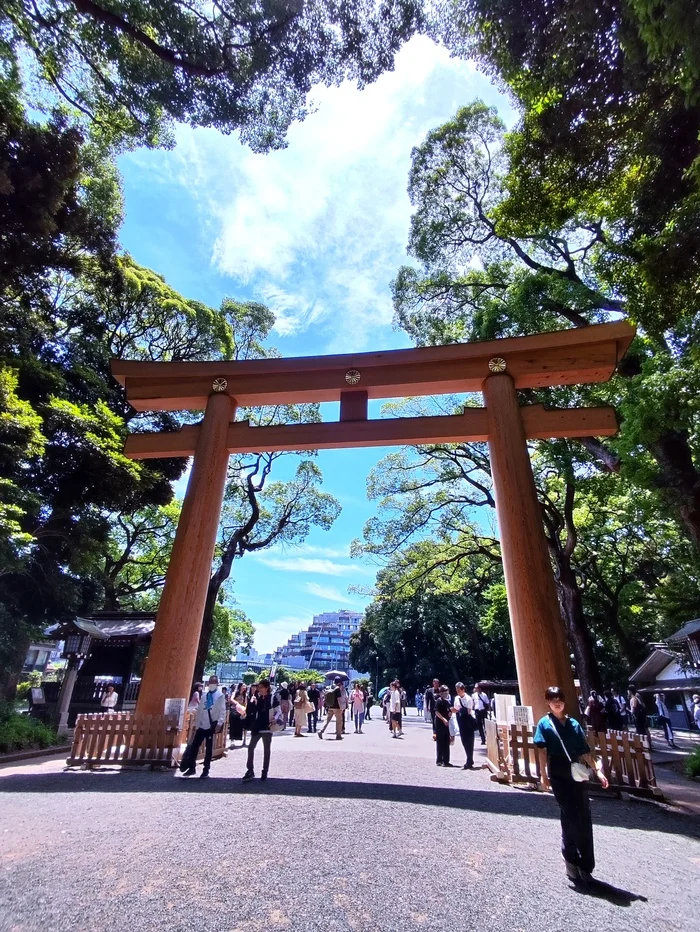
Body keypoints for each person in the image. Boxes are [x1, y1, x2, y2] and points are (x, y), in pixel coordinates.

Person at [533, 686, 609, 883]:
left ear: (564, 701)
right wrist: (543, 775)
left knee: (584, 813)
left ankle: (586, 865)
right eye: (552, 699)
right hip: (558, 770)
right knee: (569, 814)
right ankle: (570, 858)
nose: (557, 702)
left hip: (577, 769)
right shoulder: (544, 723)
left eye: (560, 698)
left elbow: (584, 750)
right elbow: (542, 751)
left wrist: (598, 771)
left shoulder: (574, 723)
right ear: (547, 702)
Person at [179, 675, 226, 779]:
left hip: (211, 724)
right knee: (194, 746)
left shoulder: (220, 696)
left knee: (209, 749)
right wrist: (196, 724)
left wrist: (219, 723)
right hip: (202, 725)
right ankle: (192, 767)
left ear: (217, 683)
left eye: (214, 682)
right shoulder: (205, 695)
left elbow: (222, 711)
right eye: (210, 682)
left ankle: (206, 770)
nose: (212, 684)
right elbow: (200, 710)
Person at [239, 678, 278, 782]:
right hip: (257, 726)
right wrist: (252, 703)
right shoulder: (257, 698)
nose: (259, 689)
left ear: (267, 688)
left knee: (266, 750)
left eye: (261, 687)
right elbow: (251, 711)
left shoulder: (272, 698)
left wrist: (275, 719)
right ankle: (250, 770)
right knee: (251, 747)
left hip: (267, 726)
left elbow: (278, 710)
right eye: (258, 687)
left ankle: (265, 770)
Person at [453, 682, 476, 770]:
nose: (458, 692)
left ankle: (469, 760)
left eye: (459, 691)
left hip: (468, 721)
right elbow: (456, 709)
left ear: (463, 690)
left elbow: (469, 711)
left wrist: (460, 711)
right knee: (464, 741)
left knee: (469, 741)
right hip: (460, 720)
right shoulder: (456, 698)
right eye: (457, 691)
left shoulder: (468, 699)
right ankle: (469, 759)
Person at [433, 686, 454, 767]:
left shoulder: (447, 701)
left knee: (446, 741)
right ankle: (439, 760)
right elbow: (436, 712)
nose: (446, 694)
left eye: (447, 693)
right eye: (444, 693)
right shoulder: (438, 701)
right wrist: (443, 719)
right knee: (440, 741)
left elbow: (449, 710)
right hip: (440, 723)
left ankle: (446, 760)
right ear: (441, 693)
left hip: (447, 724)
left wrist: (450, 714)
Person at [229, 683, 247, 748]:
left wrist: (244, 710)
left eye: (245, 686)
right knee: (232, 725)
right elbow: (231, 699)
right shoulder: (235, 693)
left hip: (241, 711)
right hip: (234, 710)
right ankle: (232, 740)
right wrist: (237, 703)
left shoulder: (245, 695)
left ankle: (236, 738)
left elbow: (245, 703)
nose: (244, 687)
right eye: (243, 686)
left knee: (239, 725)